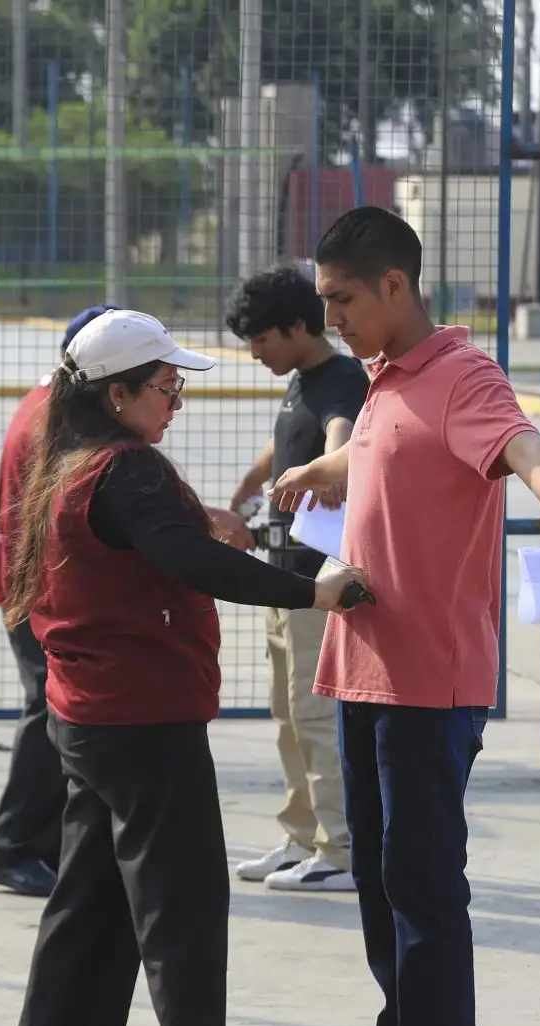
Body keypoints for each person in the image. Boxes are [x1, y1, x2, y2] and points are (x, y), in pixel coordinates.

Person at [0, 308, 366, 1026]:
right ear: (117, 393)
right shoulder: (126, 470)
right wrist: (316, 591)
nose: (177, 401)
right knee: (182, 907)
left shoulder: (70, 460)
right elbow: (191, 563)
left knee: (91, 904)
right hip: (140, 717)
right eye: (166, 386)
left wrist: (202, 522)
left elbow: (170, 546)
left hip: (89, 713)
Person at [270, 207, 540, 1026]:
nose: (330, 315)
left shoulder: (461, 376)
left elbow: (526, 449)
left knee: (421, 886)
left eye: (341, 299)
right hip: (366, 669)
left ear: (394, 287)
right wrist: (315, 471)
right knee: (379, 882)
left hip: (430, 680)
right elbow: (374, 457)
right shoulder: (383, 381)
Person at [224, 264, 370, 892]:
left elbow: (341, 434)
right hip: (280, 576)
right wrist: (243, 495)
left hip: (317, 584)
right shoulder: (301, 383)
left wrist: (332, 469)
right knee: (286, 713)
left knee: (314, 716)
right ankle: (300, 837)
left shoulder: (340, 378)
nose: (256, 352)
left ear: (298, 327)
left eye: (263, 339)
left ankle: (340, 851)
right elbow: (281, 445)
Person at [0, 302, 118, 897]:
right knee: (49, 713)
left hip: (30, 583)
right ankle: (13, 847)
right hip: (39, 590)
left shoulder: (46, 405)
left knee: (52, 711)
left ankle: (44, 844)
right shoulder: (55, 419)